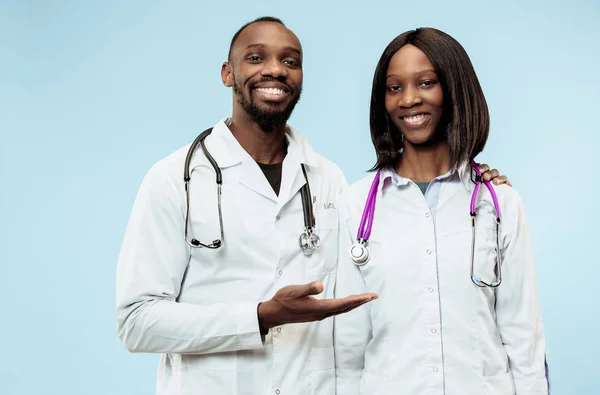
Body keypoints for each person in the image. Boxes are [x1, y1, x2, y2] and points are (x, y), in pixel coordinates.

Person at [116, 17, 508, 395]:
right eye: (256, 58)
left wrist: (470, 182)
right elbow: (136, 323)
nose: (276, 70)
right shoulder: (175, 180)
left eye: (290, 61)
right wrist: (260, 316)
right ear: (227, 73)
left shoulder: (331, 183)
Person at [334, 28, 548, 395]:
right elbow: (348, 350)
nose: (409, 99)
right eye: (394, 87)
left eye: (426, 82)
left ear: (453, 88)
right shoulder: (355, 207)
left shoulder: (498, 203)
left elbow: (523, 338)